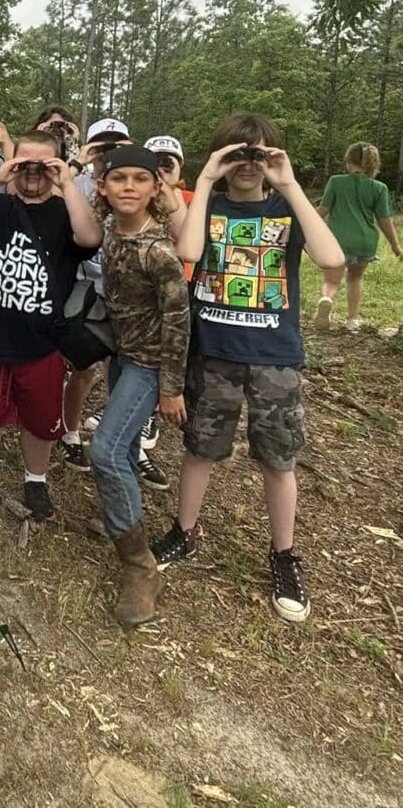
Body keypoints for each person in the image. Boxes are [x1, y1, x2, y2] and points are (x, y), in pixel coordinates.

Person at [160, 114, 345, 624]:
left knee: (278, 459)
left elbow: (331, 259)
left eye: (258, 154)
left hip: (274, 356)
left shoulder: (286, 208)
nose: (247, 164)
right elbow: (188, 252)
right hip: (214, 350)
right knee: (201, 447)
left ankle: (284, 554)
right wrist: (205, 180)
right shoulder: (208, 206)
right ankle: (185, 530)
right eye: (237, 153)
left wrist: (289, 184)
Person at [0, 129, 102, 522]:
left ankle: (36, 480)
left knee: (41, 419)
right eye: (24, 162)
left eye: (43, 164)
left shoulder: (64, 211)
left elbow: (90, 237)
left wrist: (67, 182)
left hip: (43, 341)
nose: (32, 171)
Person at [89, 145, 189, 626]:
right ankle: (121, 518)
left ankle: (140, 566)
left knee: (105, 451)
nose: (128, 186)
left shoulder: (159, 251)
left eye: (140, 179)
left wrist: (171, 387)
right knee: (125, 453)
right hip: (121, 356)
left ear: (155, 188)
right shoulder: (111, 229)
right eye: (118, 178)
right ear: (104, 187)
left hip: (150, 365)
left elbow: (178, 322)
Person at [58, 119, 168, 492]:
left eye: (115, 145)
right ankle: (71, 432)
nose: (106, 152)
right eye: (100, 146)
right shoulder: (80, 183)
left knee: (125, 377)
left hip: (136, 304)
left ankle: (128, 445)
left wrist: (134, 159)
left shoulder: (137, 183)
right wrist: (78, 162)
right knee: (83, 371)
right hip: (91, 295)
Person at [313, 141, 402, 330]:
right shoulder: (379, 188)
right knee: (355, 278)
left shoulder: (336, 182)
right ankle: (352, 319)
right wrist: (395, 246)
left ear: (348, 161)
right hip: (365, 241)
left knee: (331, 279)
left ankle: (326, 299)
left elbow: (323, 210)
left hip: (337, 241)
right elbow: (384, 220)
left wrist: (301, 223)